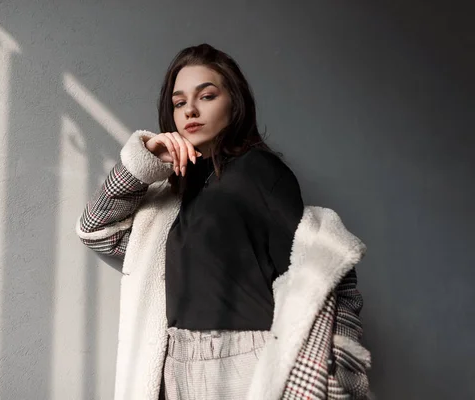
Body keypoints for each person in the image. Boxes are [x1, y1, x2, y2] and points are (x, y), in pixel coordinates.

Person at [77, 43, 372, 400]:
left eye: (207, 96)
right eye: (179, 102)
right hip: (176, 366)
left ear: (234, 103)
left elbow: (311, 275)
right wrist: (146, 162)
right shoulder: (172, 198)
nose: (191, 111)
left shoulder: (259, 171)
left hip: (242, 364)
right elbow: (96, 229)